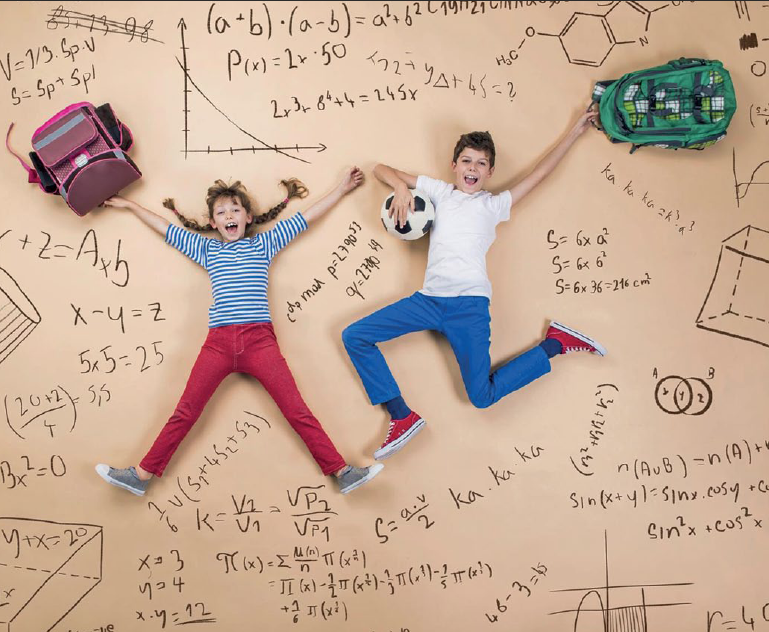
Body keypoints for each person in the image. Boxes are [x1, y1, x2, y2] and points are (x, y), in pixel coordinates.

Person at [95, 167, 383, 495]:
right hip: (217, 344)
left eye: (235, 210)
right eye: (221, 212)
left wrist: (342, 189)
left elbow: (306, 217)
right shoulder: (207, 250)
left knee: (297, 409)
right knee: (185, 412)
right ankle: (139, 475)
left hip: (260, 343)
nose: (229, 215)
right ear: (213, 223)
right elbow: (165, 228)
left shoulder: (266, 243)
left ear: (247, 217)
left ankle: (342, 472)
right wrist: (132, 206)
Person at [342, 108, 606, 460]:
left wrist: (575, 131)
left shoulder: (495, 205)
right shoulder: (439, 192)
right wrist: (401, 188)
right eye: (467, 161)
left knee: (481, 397)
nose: (473, 168)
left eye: (481, 164)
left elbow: (541, 173)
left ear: (490, 172)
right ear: (454, 165)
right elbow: (380, 169)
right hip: (429, 301)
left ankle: (555, 344)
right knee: (355, 335)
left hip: (469, 307)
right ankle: (401, 415)